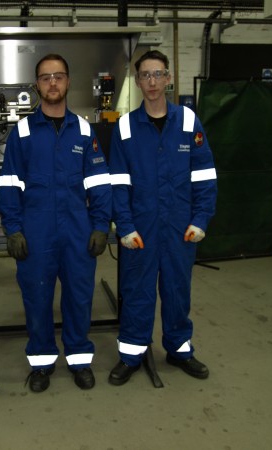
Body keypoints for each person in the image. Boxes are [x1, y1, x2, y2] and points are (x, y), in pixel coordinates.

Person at [0, 54, 112, 393]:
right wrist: (13, 228)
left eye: (58, 76)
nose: (52, 83)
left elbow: (99, 182)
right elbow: (9, 184)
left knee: (79, 297)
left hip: (77, 231)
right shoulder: (24, 131)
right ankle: (42, 362)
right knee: (37, 298)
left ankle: (78, 358)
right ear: (37, 86)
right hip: (36, 231)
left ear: (68, 82)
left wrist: (101, 225)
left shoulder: (84, 130)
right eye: (45, 78)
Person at [107, 50, 217, 385]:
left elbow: (205, 176)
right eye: (145, 75)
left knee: (176, 290)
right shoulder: (125, 126)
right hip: (140, 229)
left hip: (179, 228)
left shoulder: (188, 121)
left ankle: (179, 349)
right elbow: (118, 182)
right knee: (136, 292)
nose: (152, 82)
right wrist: (124, 226)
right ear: (138, 81)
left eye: (158, 74)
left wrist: (200, 219)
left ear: (168, 78)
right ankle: (131, 354)